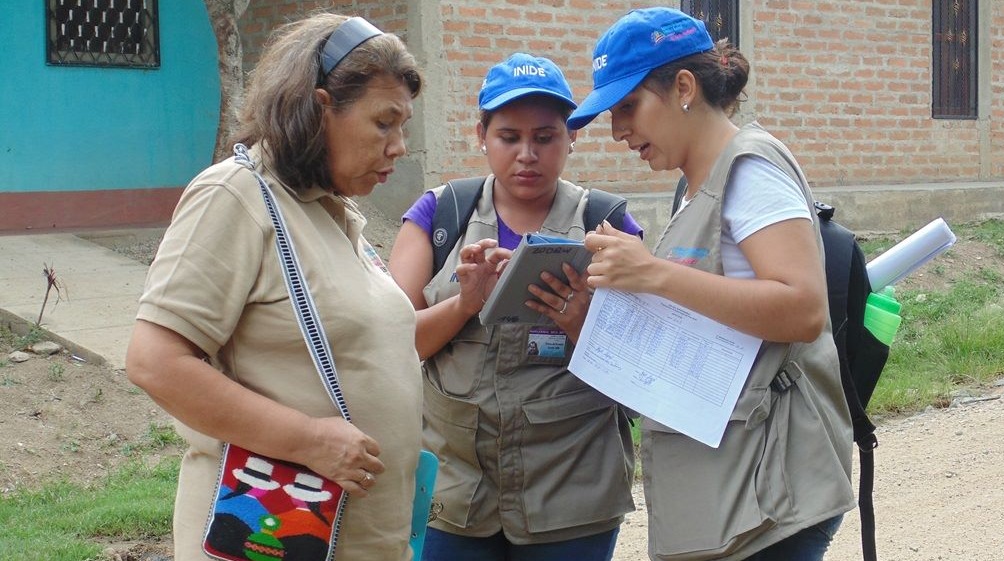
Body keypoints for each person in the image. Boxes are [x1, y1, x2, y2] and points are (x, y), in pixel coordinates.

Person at [125, 13, 424, 561]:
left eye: (404, 126)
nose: (400, 145)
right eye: (385, 122)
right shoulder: (236, 195)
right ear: (320, 107)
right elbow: (155, 362)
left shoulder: (333, 212)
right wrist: (309, 439)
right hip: (271, 537)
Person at [566, 7, 855, 561]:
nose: (618, 131)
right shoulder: (694, 187)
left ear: (683, 87)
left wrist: (653, 272)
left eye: (628, 107)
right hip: (730, 495)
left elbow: (803, 307)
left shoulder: (751, 167)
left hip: (771, 500)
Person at [387, 52, 643, 561]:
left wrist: (581, 325)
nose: (527, 154)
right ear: (480, 135)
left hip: (573, 493)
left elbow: (646, 369)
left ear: (571, 138)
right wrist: (465, 304)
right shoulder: (440, 215)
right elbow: (393, 343)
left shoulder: (607, 223)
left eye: (545, 137)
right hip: (453, 492)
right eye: (509, 136)